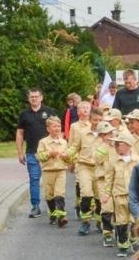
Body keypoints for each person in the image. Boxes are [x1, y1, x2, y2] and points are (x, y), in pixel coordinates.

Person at [15, 88, 60, 218]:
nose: (34, 99)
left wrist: (60, 147)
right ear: (28, 99)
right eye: (32, 97)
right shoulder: (24, 114)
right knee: (34, 179)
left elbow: (58, 130)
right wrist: (20, 152)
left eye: (36, 96)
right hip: (32, 152)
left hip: (49, 152)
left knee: (51, 180)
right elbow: (20, 133)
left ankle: (53, 207)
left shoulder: (49, 112)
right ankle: (35, 206)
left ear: (41, 97)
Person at [69, 101, 102, 237]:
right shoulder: (82, 133)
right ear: (90, 119)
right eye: (95, 120)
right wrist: (67, 155)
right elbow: (74, 147)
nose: (97, 123)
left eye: (100, 120)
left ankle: (100, 220)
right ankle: (86, 221)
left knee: (100, 197)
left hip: (100, 169)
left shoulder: (106, 134)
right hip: (84, 166)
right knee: (86, 193)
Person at [35, 116, 72, 227]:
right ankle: (53, 213)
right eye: (54, 126)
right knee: (49, 195)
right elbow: (39, 156)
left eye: (59, 126)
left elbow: (68, 157)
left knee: (59, 193)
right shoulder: (43, 142)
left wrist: (67, 157)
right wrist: (49, 154)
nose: (57, 128)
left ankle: (61, 217)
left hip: (61, 170)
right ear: (48, 129)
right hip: (48, 171)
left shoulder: (64, 142)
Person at [108, 135, 139, 254]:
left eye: (119, 144)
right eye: (115, 144)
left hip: (134, 195)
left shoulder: (138, 161)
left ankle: (134, 238)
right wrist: (107, 193)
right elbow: (109, 178)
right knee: (121, 221)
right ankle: (123, 245)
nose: (116, 147)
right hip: (119, 194)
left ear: (128, 145)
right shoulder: (113, 161)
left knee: (136, 219)